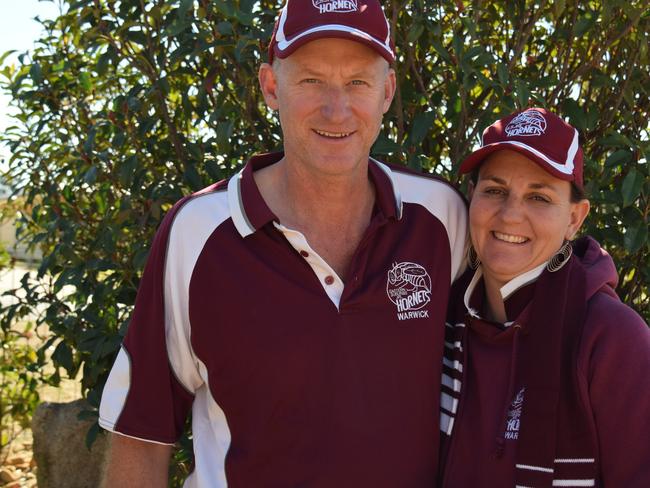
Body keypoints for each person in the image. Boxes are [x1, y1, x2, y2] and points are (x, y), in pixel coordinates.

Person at [99, 1, 468, 486]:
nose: (337, 109)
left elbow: (503, 356)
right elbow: (140, 434)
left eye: (358, 81)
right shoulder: (199, 233)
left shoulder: (439, 218)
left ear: (386, 91)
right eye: (312, 80)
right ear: (272, 86)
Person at [438, 107, 650, 488]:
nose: (510, 215)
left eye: (539, 197)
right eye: (495, 191)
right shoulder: (437, 319)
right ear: (473, 198)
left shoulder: (613, 338)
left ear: (574, 219)